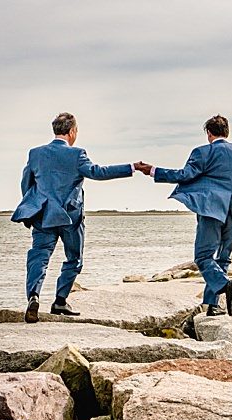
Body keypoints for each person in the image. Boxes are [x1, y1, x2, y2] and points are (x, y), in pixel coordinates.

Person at [11, 112, 141, 323]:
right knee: (74, 259)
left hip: (43, 216)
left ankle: (33, 296)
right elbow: (98, 172)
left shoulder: (35, 153)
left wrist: (33, 206)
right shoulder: (77, 154)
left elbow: (26, 184)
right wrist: (132, 167)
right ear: (72, 132)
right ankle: (60, 301)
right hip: (71, 217)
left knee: (39, 257)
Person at [137, 115, 232, 316]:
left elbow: (184, 175)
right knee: (223, 258)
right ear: (227, 132)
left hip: (212, 208)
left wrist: (153, 171)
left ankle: (224, 285)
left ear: (208, 133)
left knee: (203, 256)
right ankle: (212, 305)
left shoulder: (202, 151)